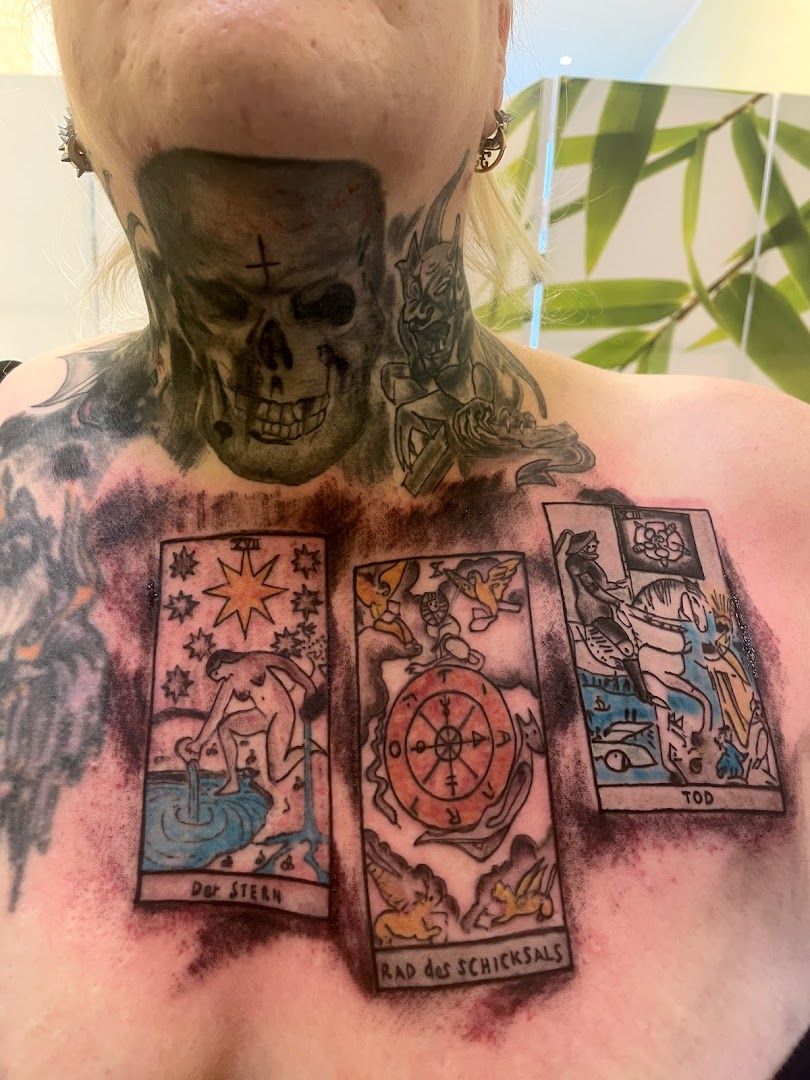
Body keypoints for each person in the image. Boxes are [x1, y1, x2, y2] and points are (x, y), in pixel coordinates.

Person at [1, 2, 808, 1077]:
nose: (280, 360)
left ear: (499, 33)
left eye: (324, 308)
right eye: (243, 312)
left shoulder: (788, 506)